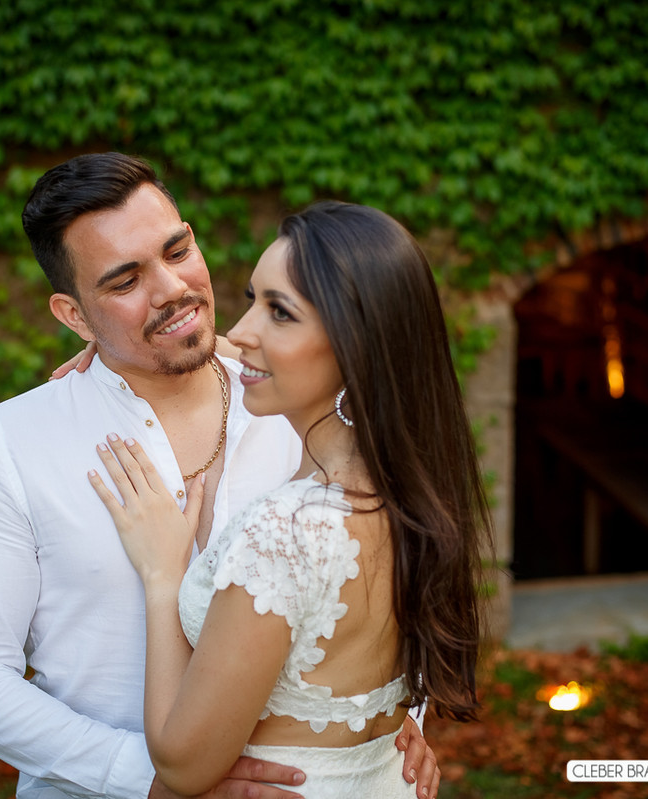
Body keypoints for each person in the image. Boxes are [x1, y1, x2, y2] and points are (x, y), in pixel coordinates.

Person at [0, 153, 440, 799]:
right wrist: (149, 778)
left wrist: (394, 724)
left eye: (177, 250)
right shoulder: (13, 443)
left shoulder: (294, 401)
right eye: (125, 282)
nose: (172, 287)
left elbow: (383, 575)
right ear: (74, 316)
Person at [88, 201, 491, 797]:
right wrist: (109, 347)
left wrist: (163, 576)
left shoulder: (287, 531)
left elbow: (180, 764)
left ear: (357, 343)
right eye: (253, 299)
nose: (243, 331)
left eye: (279, 312)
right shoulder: (412, 489)